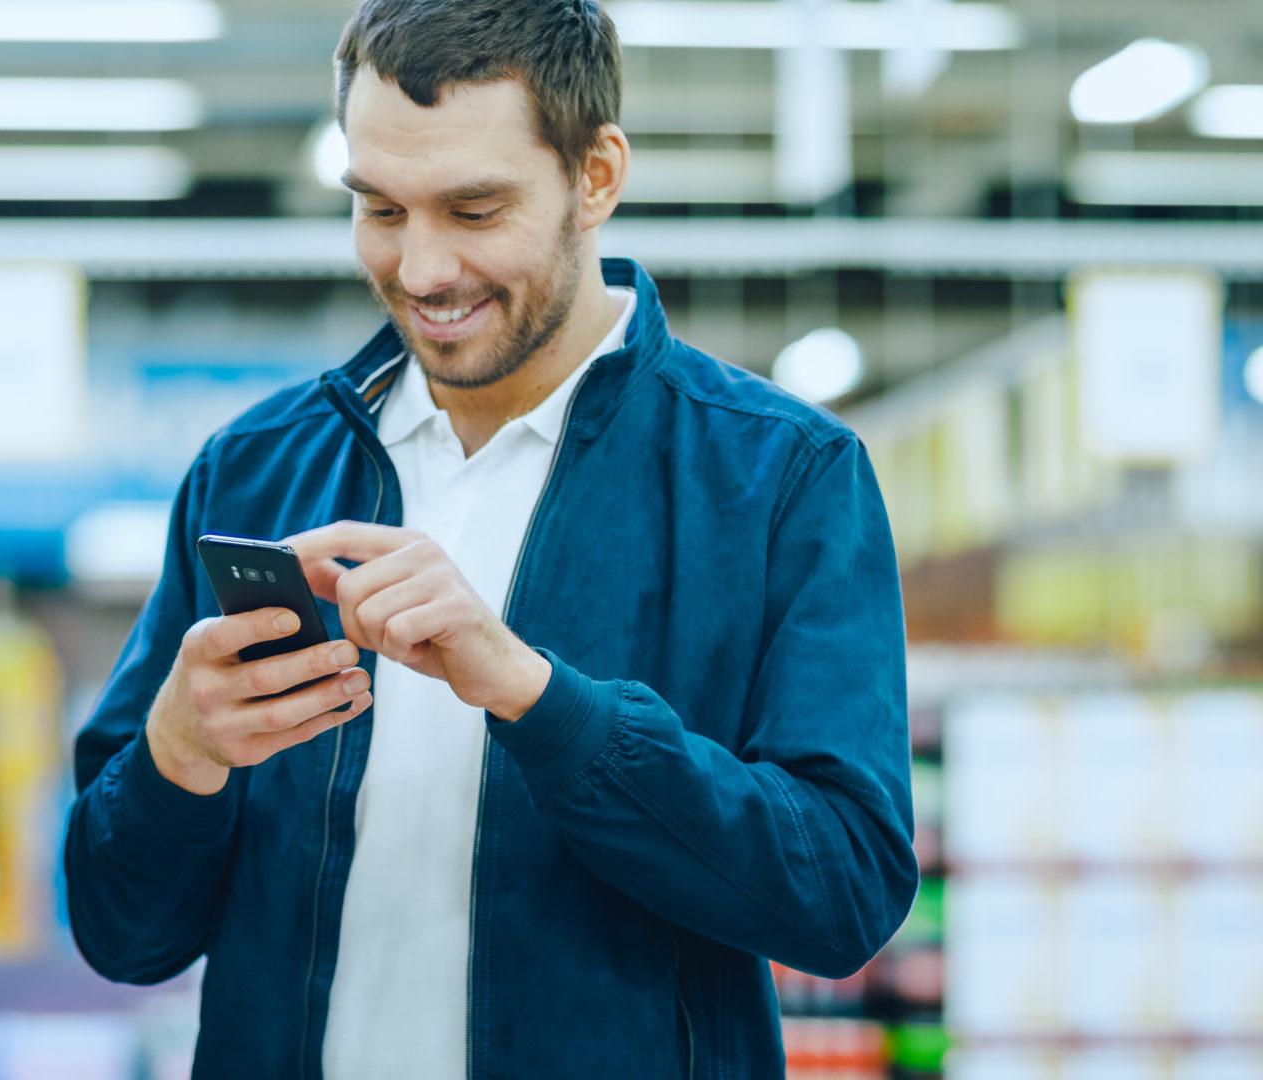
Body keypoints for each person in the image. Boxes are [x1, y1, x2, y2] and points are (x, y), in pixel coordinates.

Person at [64, 0, 918, 1075]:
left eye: (473, 211)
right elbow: (119, 932)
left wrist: (537, 698)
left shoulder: (778, 478)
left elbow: (844, 894)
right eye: (380, 209)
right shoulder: (254, 470)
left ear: (596, 176)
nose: (420, 270)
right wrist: (176, 756)